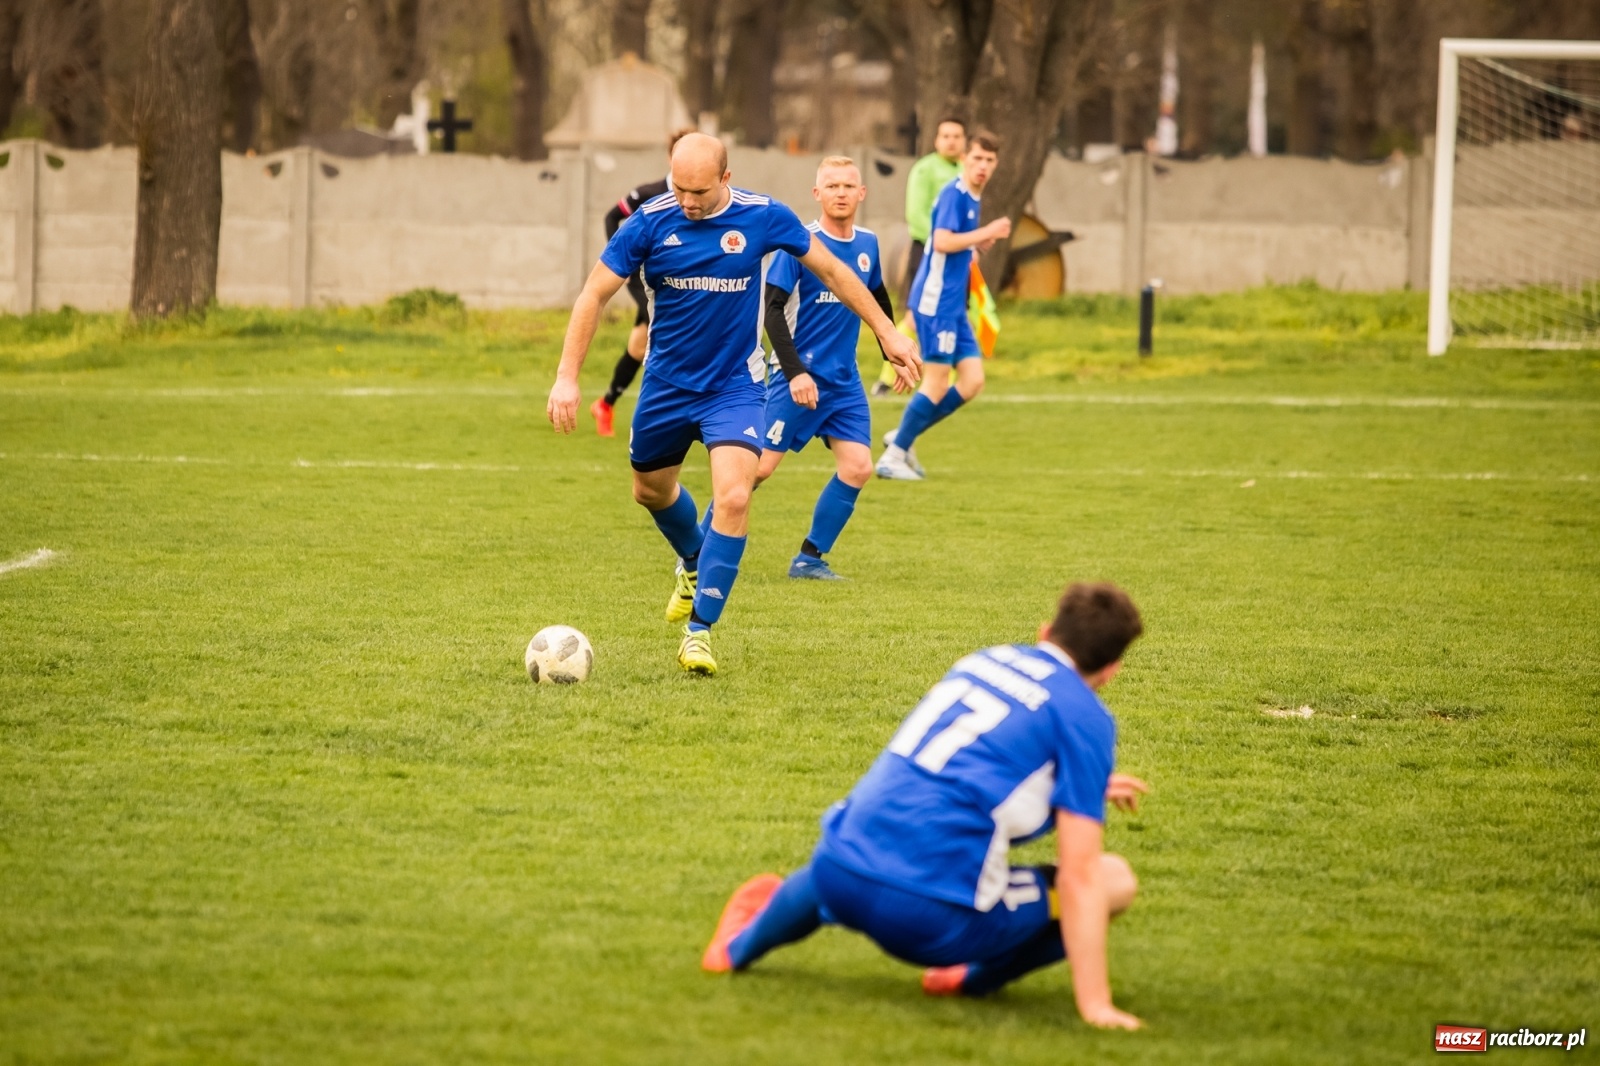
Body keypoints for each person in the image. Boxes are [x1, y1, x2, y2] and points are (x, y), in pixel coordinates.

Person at [546, 133, 921, 676]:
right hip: (666, 386)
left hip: (735, 387)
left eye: (698, 190)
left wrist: (887, 331)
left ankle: (699, 633)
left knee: (736, 498)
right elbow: (593, 294)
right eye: (678, 187)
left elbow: (836, 272)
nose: (687, 201)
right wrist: (566, 377)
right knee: (649, 491)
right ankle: (695, 559)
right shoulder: (650, 221)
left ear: (725, 178)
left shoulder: (763, 216)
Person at [700, 581, 1148, 1029]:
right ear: (1111, 670)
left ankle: (737, 947)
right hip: (931, 924)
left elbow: (966, 768)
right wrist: (1096, 1006)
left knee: (862, 840)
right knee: (1114, 880)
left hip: (834, 873)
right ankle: (970, 977)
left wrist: (1081, 787)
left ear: (1045, 632)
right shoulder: (1086, 717)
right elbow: (1080, 875)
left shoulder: (985, 659)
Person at [695, 156, 899, 580]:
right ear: (817, 193)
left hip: (844, 382)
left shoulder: (868, 244)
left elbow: (877, 298)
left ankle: (809, 558)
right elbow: (770, 312)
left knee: (859, 467)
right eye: (832, 186)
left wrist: (891, 351)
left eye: (848, 186)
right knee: (759, 469)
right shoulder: (800, 243)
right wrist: (795, 373)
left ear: (861, 193)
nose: (840, 193)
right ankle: (697, 548)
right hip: (794, 379)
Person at [876, 131, 1010, 481]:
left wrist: (978, 247)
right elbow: (941, 240)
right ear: (965, 158)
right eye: (977, 158)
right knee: (935, 383)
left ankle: (904, 436)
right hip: (936, 303)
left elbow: (955, 247)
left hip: (954, 305)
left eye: (989, 161)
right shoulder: (955, 192)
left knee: (972, 381)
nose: (982, 166)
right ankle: (893, 455)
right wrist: (985, 232)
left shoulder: (973, 197)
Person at [590, 128, 695, 438]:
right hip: (642, 280)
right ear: (670, 157)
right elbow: (612, 216)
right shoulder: (648, 194)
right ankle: (669, 409)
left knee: (638, 344)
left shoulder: (707, 198)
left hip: (676, 282)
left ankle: (606, 403)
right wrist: (623, 262)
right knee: (660, 325)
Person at [871, 116, 967, 400]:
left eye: (957, 136)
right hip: (928, 253)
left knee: (953, 317)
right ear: (936, 140)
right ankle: (887, 378)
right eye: (946, 135)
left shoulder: (966, 171)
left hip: (957, 258)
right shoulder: (925, 170)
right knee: (914, 318)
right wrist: (941, 243)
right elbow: (916, 215)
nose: (951, 140)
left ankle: (943, 381)